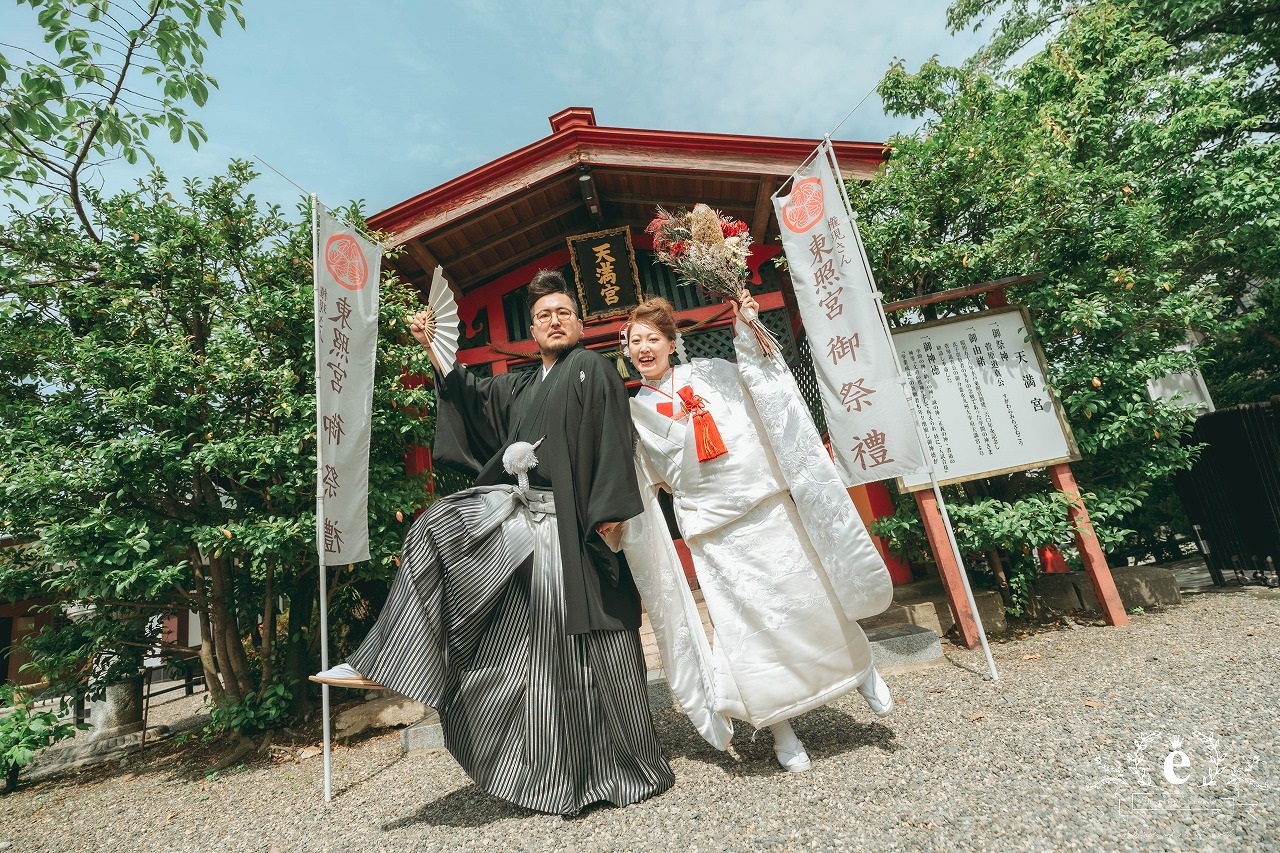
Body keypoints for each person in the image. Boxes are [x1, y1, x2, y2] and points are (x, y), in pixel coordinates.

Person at [313, 270, 674, 815]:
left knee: (583, 656)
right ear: (532, 329)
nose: (555, 321)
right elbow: (474, 404)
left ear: (580, 323)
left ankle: (612, 768)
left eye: (564, 313)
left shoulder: (591, 370)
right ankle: (399, 665)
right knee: (516, 641)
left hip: (572, 527)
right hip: (524, 520)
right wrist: (435, 351)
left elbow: (611, 438)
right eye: (544, 315)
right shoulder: (522, 384)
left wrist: (610, 515)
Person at [619, 293, 896, 773]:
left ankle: (861, 670)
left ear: (671, 342)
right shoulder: (632, 413)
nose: (643, 347)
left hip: (763, 508)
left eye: (652, 338)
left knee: (812, 600)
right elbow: (645, 481)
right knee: (746, 633)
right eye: (634, 341)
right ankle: (781, 728)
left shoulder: (711, 373)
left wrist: (748, 324)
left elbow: (761, 379)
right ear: (626, 351)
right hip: (713, 533)